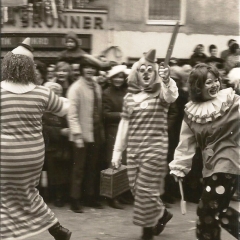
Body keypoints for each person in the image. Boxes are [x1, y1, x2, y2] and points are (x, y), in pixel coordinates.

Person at [0, 38, 71, 240]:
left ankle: (9, 235)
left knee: (3, 195)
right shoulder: (42, 93)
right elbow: (65, 108)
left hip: (5, 154)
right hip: (33, 154)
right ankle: (57, 229)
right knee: (29, 191)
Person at [111, 49, 178, 240]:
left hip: (155, 149)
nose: (146, 72)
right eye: (142, 70)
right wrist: (117, 153)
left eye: (150, 69)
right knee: (134, 188)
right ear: (136, 74)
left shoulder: (161, 95)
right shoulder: (129, 98)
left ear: (156, 72)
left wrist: (166, 80)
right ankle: (162, 213)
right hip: (134, 150)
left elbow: (172, 96)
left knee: (145, 190)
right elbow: (124, 125)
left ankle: (147, 232)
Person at [169, 63, 239, 240]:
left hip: (228, 164)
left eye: (216, 80)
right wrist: (179, 166)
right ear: (197, 86)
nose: (215, 85)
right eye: (208, 82)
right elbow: (186, 142)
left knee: (206, 209)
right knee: (217, 211)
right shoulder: (191, 112)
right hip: (210, 167)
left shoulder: (232, 101)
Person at [67, 54, 105, 213]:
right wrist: (77, 135)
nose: (89, 70)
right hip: (81, 134)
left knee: (92, 167)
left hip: (95, 132)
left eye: (92, 68)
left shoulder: (96, 86)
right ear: (82, 70)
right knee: (79, 169)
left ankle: (89, 197)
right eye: (86, 67)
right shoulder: (75, 88)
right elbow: (72, 114)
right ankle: (75, 199)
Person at [102, 65, 128, 209]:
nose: (119, 80)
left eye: (121, 77)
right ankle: (112, 197)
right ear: (111, 79)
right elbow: (105, 114)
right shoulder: (106, 93)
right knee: (114, 163)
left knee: (124, 164)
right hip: (113, 131)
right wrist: (120, 115)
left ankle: (122, 193)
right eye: (116, 77)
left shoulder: (127, 91)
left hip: (125, 131)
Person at [43, 82, 71, 208]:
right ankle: (52, 195)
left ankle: (60, 195)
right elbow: (43, 128)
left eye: (58, 93)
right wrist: (60, 131)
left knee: (62, 170)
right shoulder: (43, 109)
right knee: (52, 172)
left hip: (62, 144)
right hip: (49, 145)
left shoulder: (65, 108)